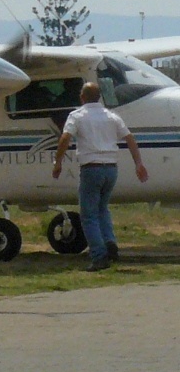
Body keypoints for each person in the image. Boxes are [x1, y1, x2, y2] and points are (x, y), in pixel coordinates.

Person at [52, 82, 149, 271]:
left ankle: (99, 255)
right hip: (111, 169)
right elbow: (129, 138)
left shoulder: (77, 116)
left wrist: (58, 162)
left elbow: (65, 138)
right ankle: (110, 242)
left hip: (91, 168)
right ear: (99, 97)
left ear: (82, 97)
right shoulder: (111, 116)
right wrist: (138, 163)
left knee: (88, 215)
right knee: (102, 208)